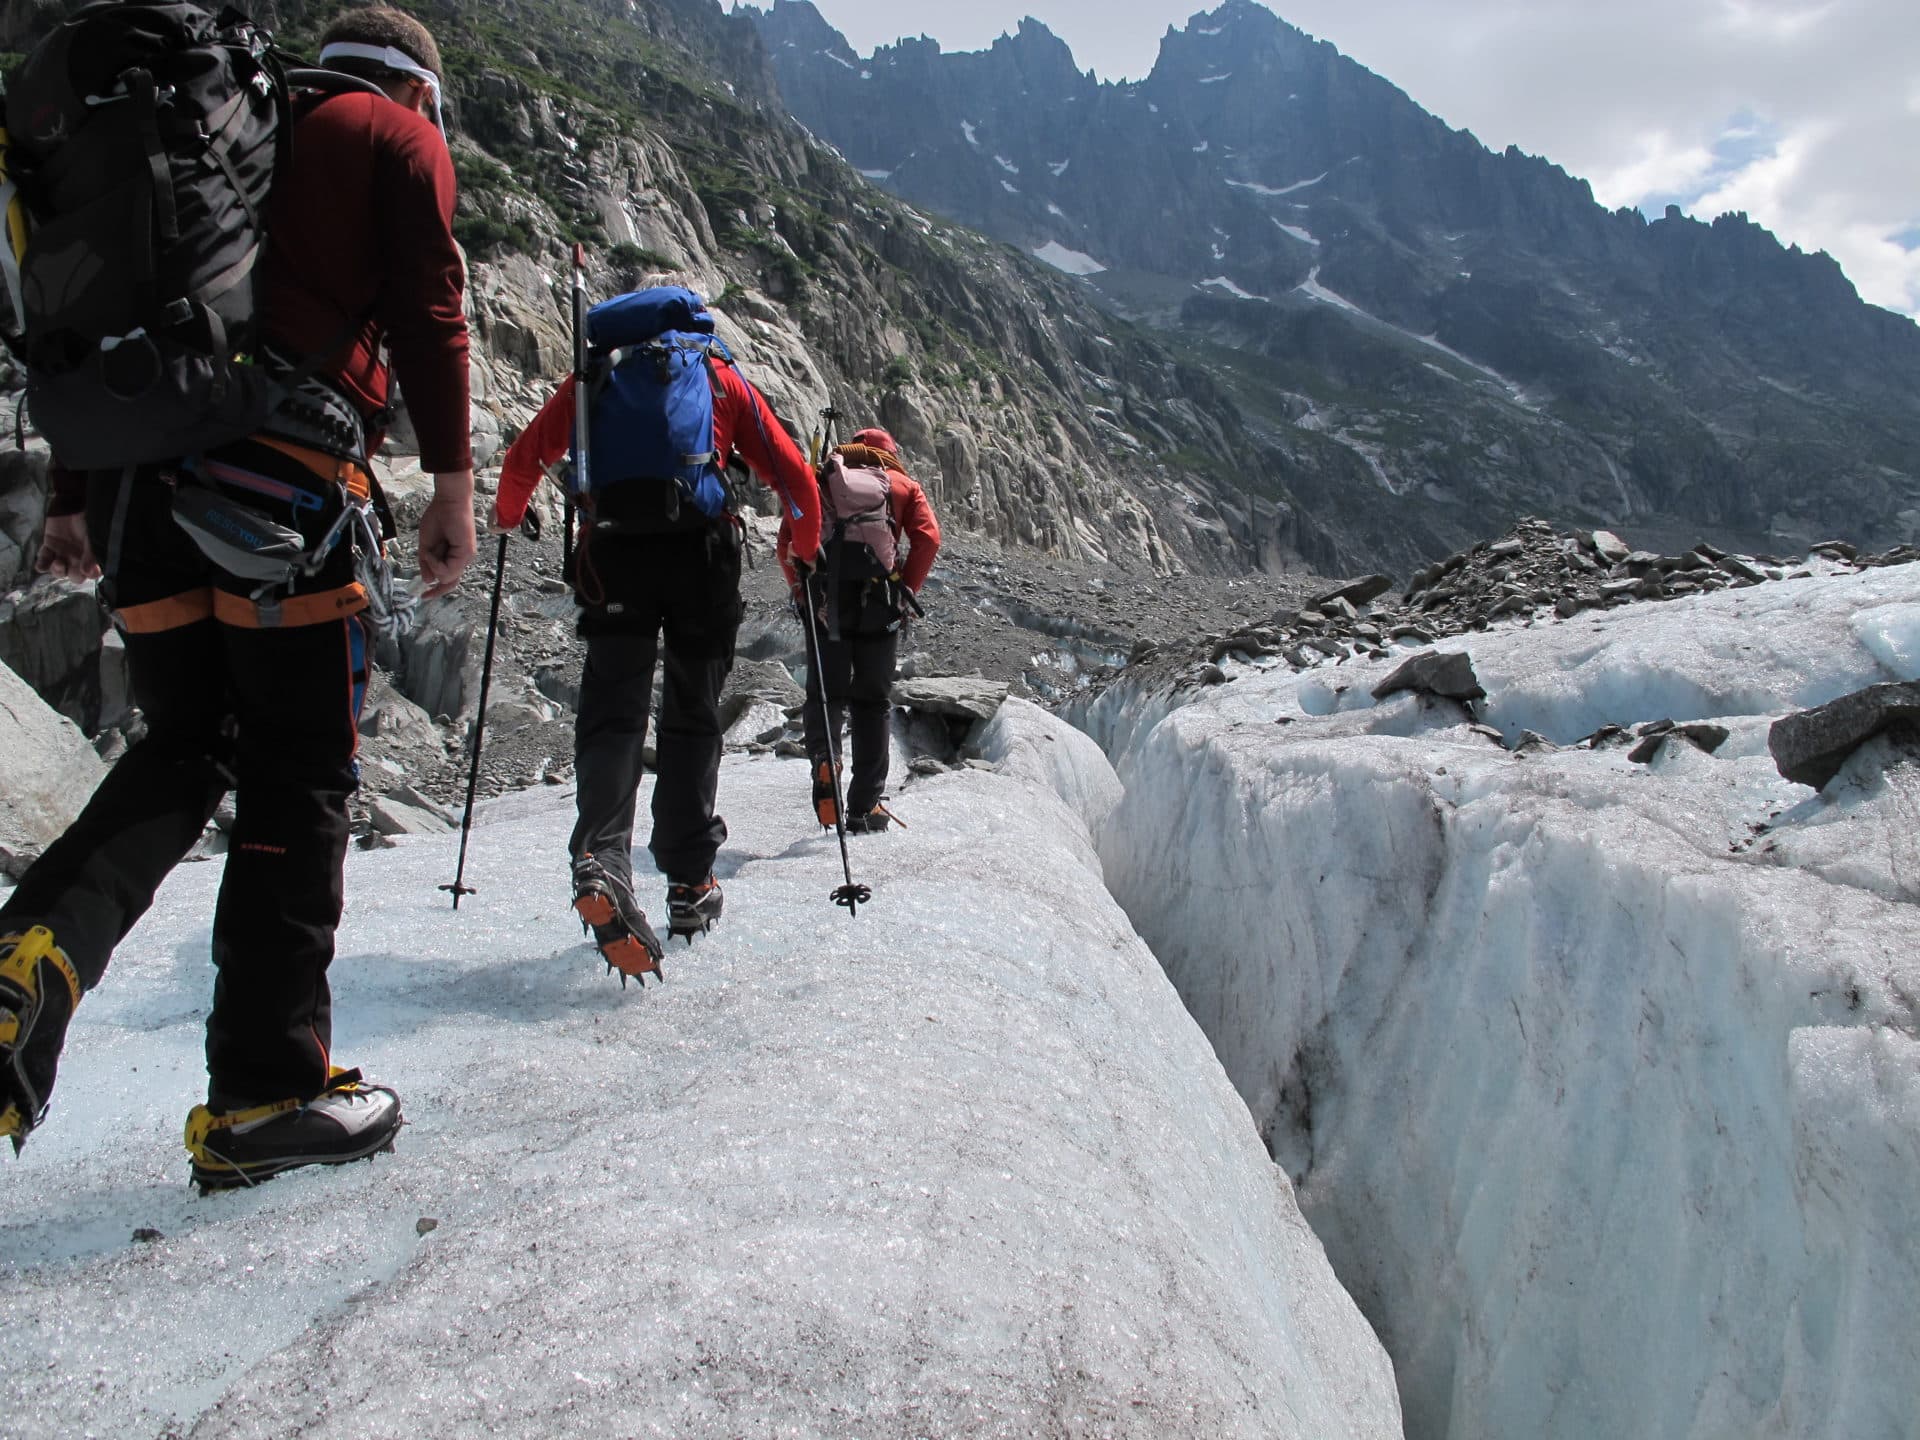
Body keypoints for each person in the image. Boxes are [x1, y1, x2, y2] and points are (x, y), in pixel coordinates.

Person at [0, 7, 474, 1188]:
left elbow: (119, 318)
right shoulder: (390, 133)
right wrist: (454, 485)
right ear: (418, 85)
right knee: (298, 768)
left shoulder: (225, 127)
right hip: (281, 492)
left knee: (187, 740)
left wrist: (71, 500)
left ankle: (26, 955)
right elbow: (430, 304)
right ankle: (266, 1094)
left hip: (135, 499)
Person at [491, 289, 821, 977]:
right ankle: (689, 882)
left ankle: (603, 856)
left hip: (612, 556)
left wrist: (507, 517)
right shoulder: (718, 376)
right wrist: (806, 550)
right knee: (692, 714)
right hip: (701, 557)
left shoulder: (596, 379)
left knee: (613, 713)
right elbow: (796, 482)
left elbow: (522, 462)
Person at [782, 426, 941, 834]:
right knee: (872, 702)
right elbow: (929, 539)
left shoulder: (823, 479)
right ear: (889, 452)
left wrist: (802, 591)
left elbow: (787, 540)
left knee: (826, 693)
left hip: (826, 601)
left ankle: (825, 760)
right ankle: (864, 806)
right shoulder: (903, 485)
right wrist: (906, 591)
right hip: (880, 602)